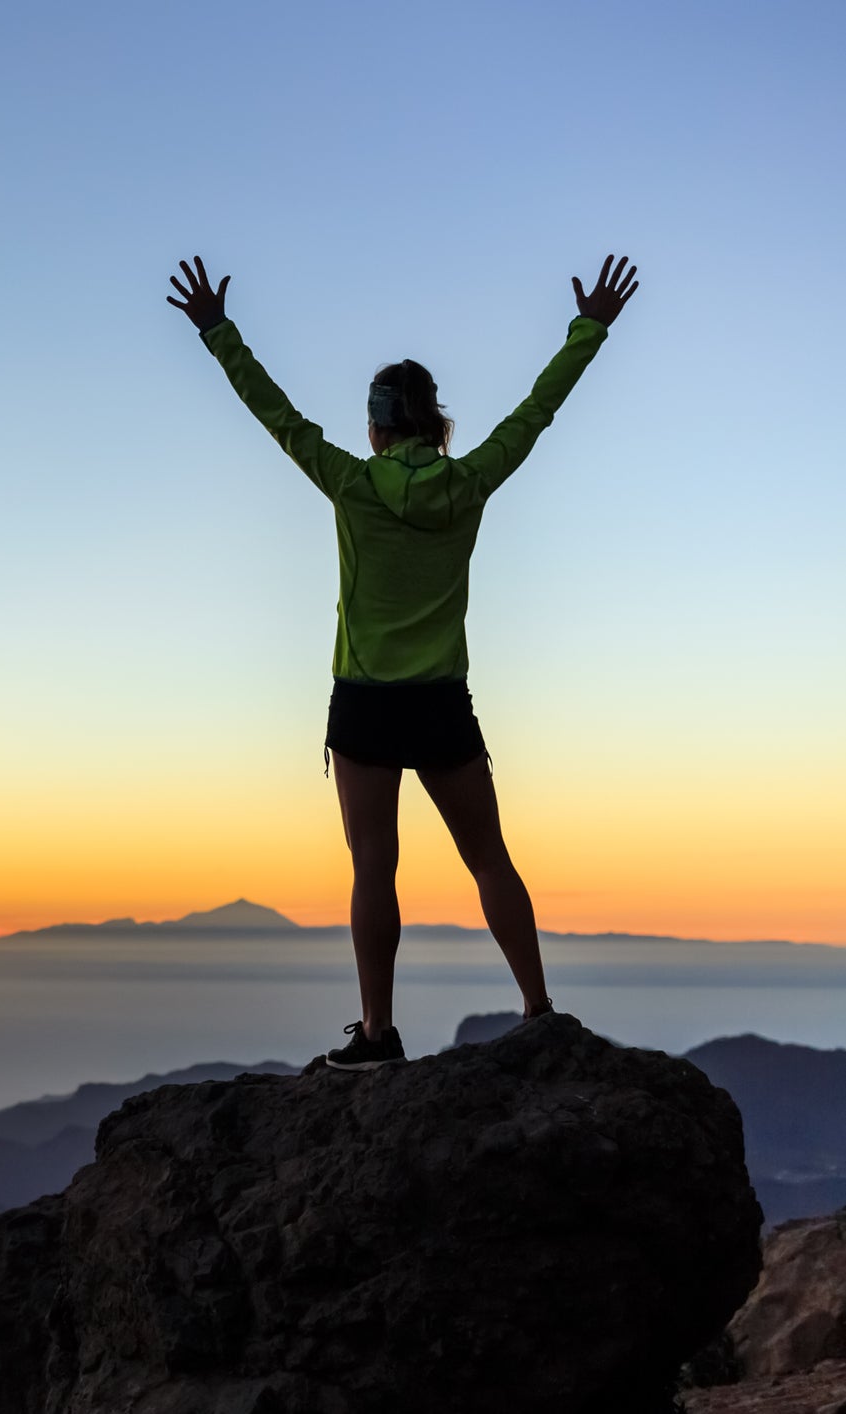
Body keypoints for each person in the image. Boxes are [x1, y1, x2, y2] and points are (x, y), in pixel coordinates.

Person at [166, 253, 640, 1071]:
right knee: (487, 856)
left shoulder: (351, 484)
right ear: (435, 425)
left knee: (372, 871)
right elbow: (538, 410)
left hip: (363, 706)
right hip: (440, 703)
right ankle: (536, 1008)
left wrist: (217, 331)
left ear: (379, 426)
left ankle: (378, 1035)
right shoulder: (471, 482)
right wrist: (588, 327)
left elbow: (275, 415)